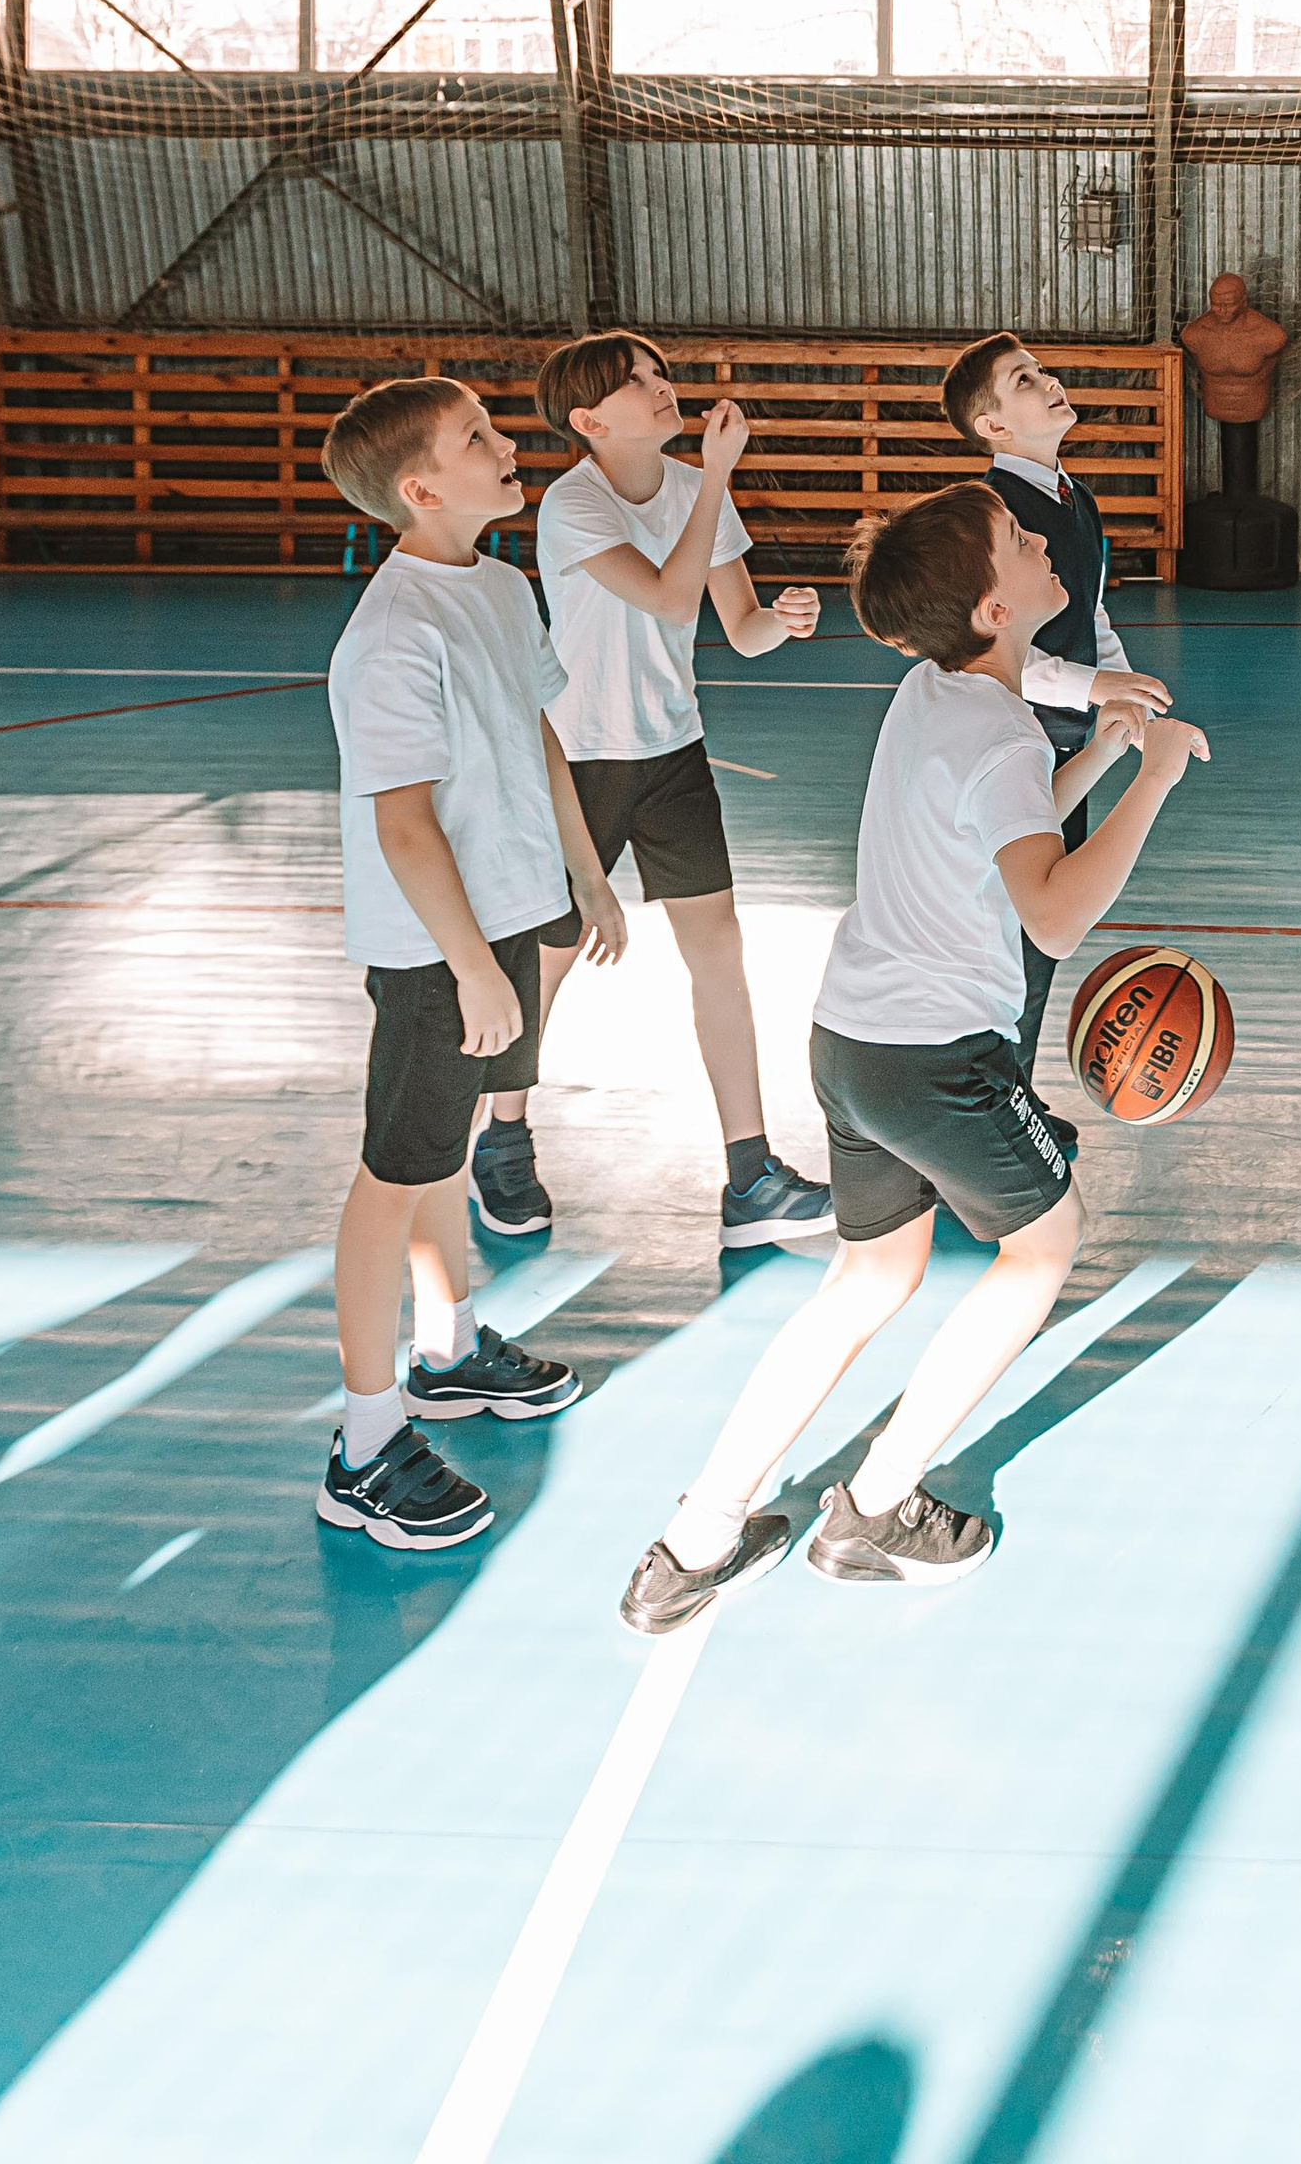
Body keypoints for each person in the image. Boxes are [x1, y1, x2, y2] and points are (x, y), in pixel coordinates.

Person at [619, 479, 1208, 1632]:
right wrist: (1155, 781)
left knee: (869, 1280)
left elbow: (999, 822)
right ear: (995, 607)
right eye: (1021, 541)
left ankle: (694, 1538)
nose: (1044, 544)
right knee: (1044, 1250)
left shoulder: (934, 690)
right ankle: (875, 1510)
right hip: (939, 1061)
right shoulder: (992, 727)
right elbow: (1051, 912)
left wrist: (1100, 757)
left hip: (851, 1045)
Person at [314, 377, 625, 1552]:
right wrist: (471, 970)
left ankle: (446, 1353)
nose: (508, 450)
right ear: (421, 488)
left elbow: (539, 734)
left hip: (505, 918)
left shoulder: (497, 586)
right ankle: (361, 1442)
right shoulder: (394, 632)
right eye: (479, 439)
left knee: (442, 1157)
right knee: (394, 1176)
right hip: (434, 948)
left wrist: (584, 875)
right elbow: (402, 825)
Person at [517, 329, 833, 1254]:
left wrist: (784, 620)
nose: (663, 389)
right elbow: (664, 596)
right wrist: (718, 477)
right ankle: (502, 1137)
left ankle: (750, 1175)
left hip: (672, 752)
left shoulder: (698, 490)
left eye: (661, 374)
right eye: (638, 383)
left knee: (720, 957)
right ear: (589, 420)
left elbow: (736, 631)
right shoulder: (573, 505)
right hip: (583, 757)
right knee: (548, 960)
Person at [940, 332, 1171, 1115]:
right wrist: (1093, 683)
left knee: (1039, 945)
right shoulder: (993, 515)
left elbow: (1090, 609)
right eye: (1024, 379)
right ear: (993, 427)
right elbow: (1001, 650)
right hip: (1017, 751)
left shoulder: (1076, 497)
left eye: (1041, 371)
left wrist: (1118, 687)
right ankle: (987, 1102)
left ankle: (1017, 1095)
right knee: (1010, 939)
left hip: (1068, 743)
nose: (1049, 382)